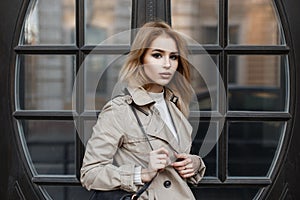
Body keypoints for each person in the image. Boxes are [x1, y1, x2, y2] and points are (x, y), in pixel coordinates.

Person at [80, 21, 206, 200]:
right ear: (140, 59)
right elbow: (90, 173)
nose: (167, 64)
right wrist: (141, 173)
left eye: (173, 57)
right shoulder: (120, 110)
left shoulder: (175, 105)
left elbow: (175, 165)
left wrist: (195, 164)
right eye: (157, 55)